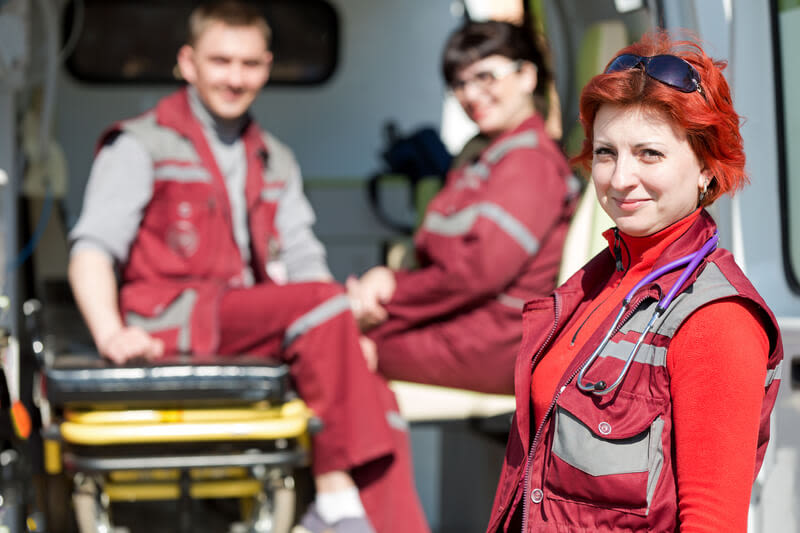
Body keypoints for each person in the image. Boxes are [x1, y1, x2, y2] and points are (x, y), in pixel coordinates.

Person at [67, 2, 429, 532]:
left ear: (267, 67)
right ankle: (333, 499)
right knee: (327, 308)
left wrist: (341, 331)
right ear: (187, 63)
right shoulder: (140, 144)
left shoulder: (274, 158)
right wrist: (110, 334)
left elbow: (303, 258)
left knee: (375, 386)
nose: (235, 79)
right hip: (169, 323)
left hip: (244, 322)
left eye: (250, 64)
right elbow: (92, 250)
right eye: (221, 61)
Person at [487, 31, 783, 532]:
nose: (620, 178)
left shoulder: (717, 320)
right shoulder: (596, 281)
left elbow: (711, 522)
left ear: (707, 167)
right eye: (607, 153)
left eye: (649, 154)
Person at [347, 20, 579, 395]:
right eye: (459, 83)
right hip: (467, 322)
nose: (470, 94)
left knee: (337, 342)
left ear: (527, 76)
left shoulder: (529, 163)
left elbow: (478, 273)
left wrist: (391, 292)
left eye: (485, 77)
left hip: (496, 341)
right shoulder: (487, 155)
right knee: (334, 325)